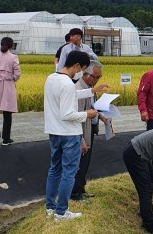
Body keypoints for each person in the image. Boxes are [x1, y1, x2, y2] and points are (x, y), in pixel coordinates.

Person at [44, 51, 105, 222]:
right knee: (69, 173)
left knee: (54, 169)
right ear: (77, 66)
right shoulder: (69, 84)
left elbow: (69, 97)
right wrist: (88, 114)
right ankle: (62, 212)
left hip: (54, 132)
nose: (81, 73)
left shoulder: (51, 78)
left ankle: (51, 207)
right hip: (69, 133)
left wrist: (92, 90)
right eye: (83, 69)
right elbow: (67, 113)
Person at [71, 60, 109, 202]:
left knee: (85, 163)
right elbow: (77, 115)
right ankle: (75, 194)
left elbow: (93, 107)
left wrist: (101, 116)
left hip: (90, 128)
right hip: (81, 131)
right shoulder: (79, 89)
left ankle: (81, 189)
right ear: (86, 74)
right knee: (79, 163)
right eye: (95, 77)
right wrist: (80, 138)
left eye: (99, 77)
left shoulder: (90, 87)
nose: (97, 80)